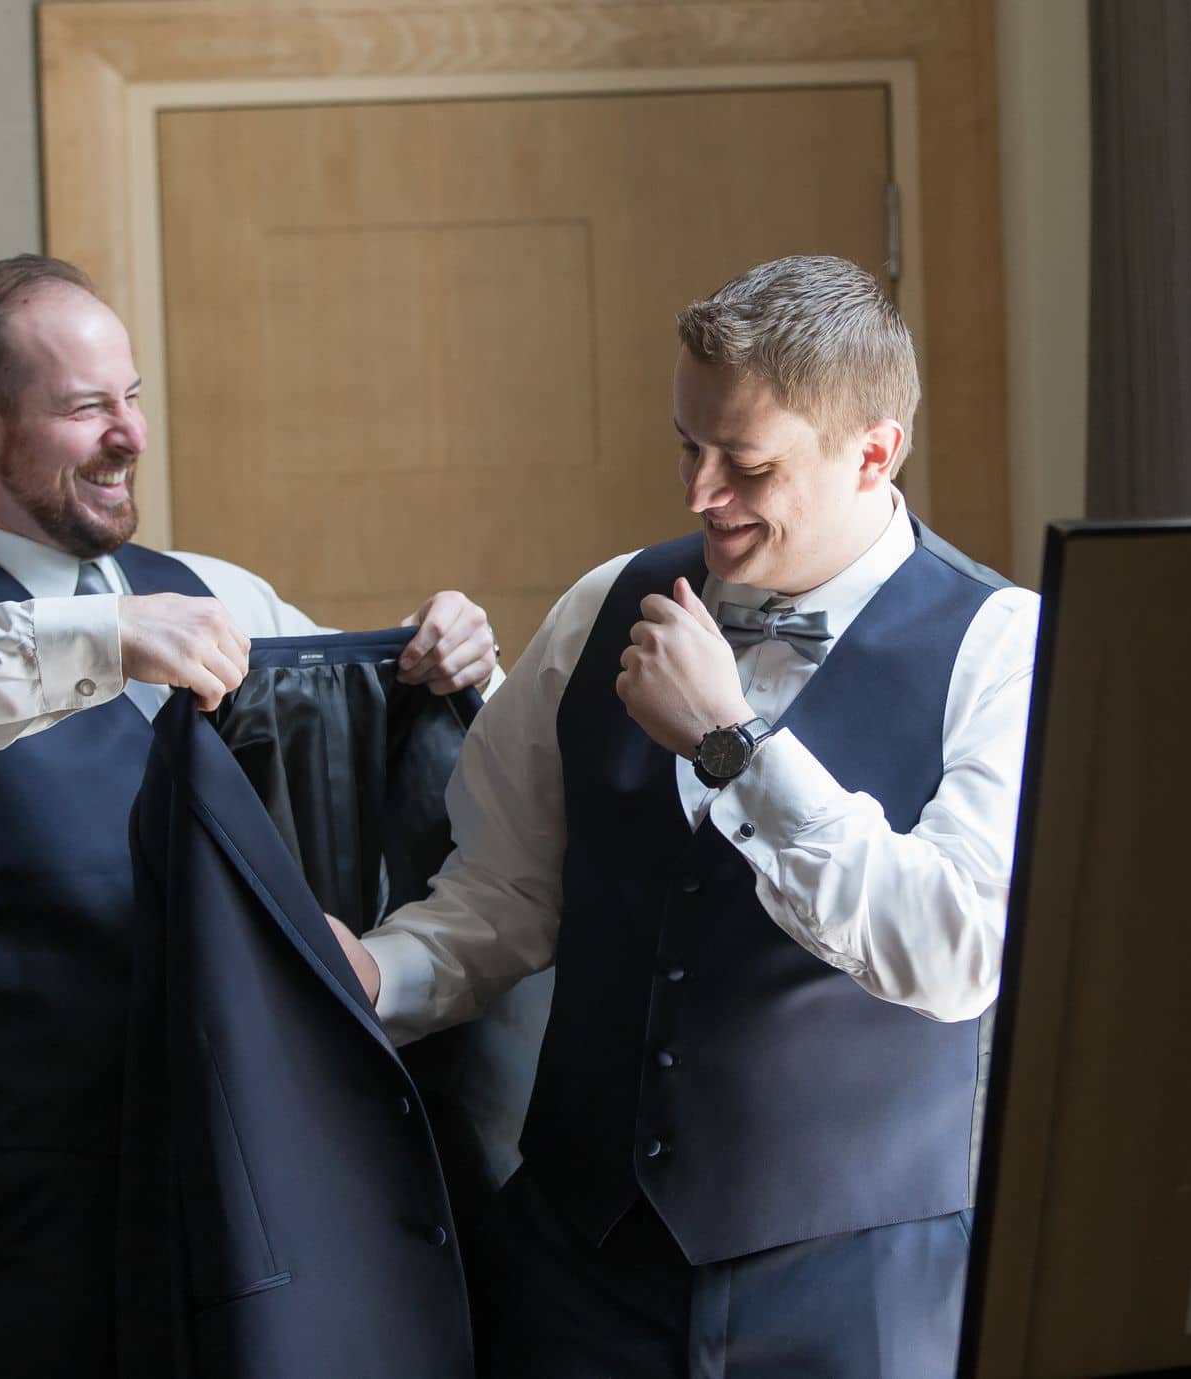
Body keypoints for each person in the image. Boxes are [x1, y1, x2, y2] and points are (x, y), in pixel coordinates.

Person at [0, 254, 497, 1375]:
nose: (131, 434)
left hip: (271, 1211)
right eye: (85, 405)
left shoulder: (223, 594)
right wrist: (93, 644)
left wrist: (442, 658)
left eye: (133, 396)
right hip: (41, 1254)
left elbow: (368, 775)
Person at [332, 254, 1037, 1378]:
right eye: (687, 445)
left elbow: (952, 952)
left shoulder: (1004, 648)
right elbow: (505, 895)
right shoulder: (600, 607)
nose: (700, 492)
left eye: (746, 463)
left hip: (861, 1298)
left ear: (874, 450)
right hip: (579, 1274)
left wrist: (734, 746)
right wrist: (378, 973)